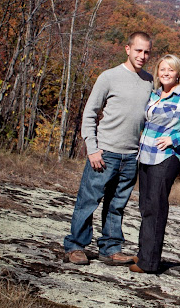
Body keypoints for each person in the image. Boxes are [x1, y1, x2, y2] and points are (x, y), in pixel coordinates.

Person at [63, 32, 153, 266]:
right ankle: (76, 246)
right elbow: (90, 113)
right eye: (138, 50)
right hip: (105, 153)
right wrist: (92, 148)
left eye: (146, 52)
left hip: (131, 156)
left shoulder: (149, 81)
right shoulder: (109, 77)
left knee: (116, 205)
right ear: (127, 49)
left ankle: (111, 249)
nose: (142, 56)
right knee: (88, 200)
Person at [130, 54, 180, 273]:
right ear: (157, 72)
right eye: (162, 69)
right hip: (146, 155)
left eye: (171, 70)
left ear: (178, 74)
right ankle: (144, 254)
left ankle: (149, 263)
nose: (166, 73)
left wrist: (174, 138)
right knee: (145, 207)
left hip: (165, 158)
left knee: (155, 208)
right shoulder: (155, 94)